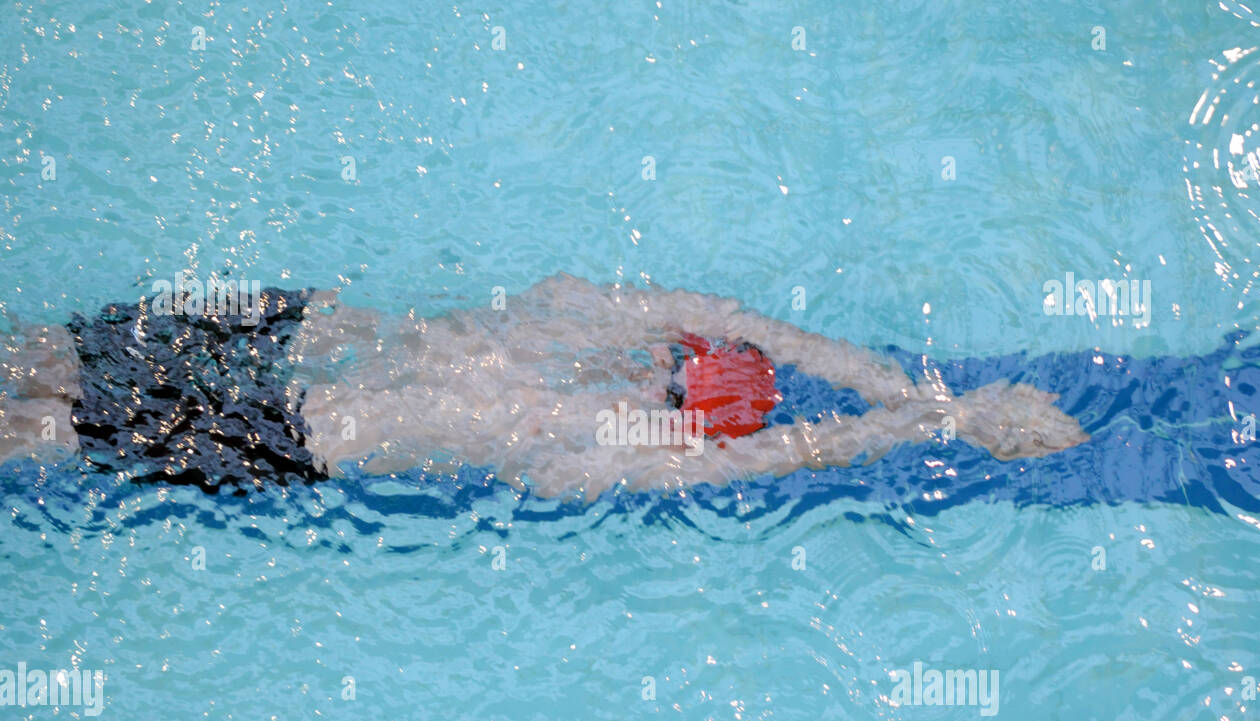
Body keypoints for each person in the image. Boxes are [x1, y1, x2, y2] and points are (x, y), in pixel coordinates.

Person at [0, 274, 1088, 500]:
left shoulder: (581, 310)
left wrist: (914, 397)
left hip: (295, 341)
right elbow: (789, 448)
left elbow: (752, 331)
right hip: (291, 420)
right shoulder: (625, 447)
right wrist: (935, 417)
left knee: (42, 363)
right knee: (42, 419)